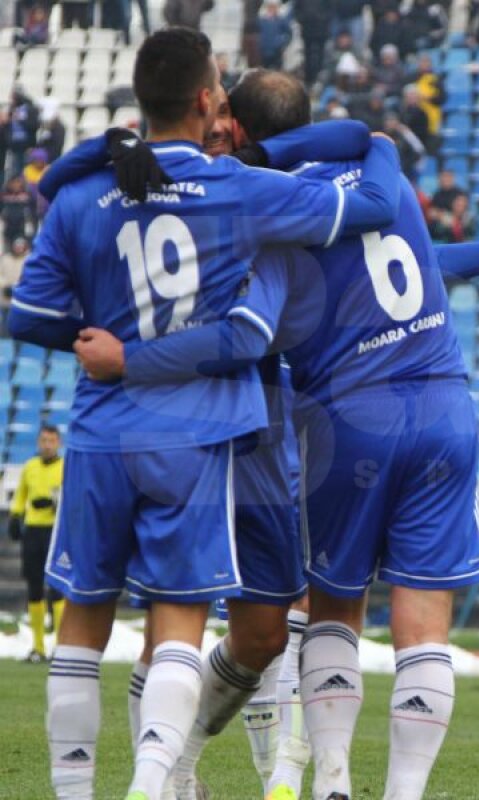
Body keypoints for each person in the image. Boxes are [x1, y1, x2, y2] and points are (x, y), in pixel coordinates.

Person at [14, 29, 401, 800]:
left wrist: (100, 343)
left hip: (98, 431)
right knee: (179, 624)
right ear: (203, 99)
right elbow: (379, 205)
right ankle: (154, 786)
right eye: (218, 85)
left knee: (81, 628)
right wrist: (379, 137)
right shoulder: (240, 190)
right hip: (199, 432)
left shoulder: (90, 191)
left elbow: (26, 315)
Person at [8, 423, 63, 663]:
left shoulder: (65, 467)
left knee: (58, 589)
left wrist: (54, 506)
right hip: (33, 532)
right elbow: (20, 495)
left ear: (58, 443)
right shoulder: (30, 467)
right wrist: (15, 516)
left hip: (56, 532)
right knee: (34, 588)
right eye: (43, 440)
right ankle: (38, 647)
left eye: (51, 441)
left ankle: (61, 647)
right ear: (38, 443)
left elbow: (73, 498)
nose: (47, 445)